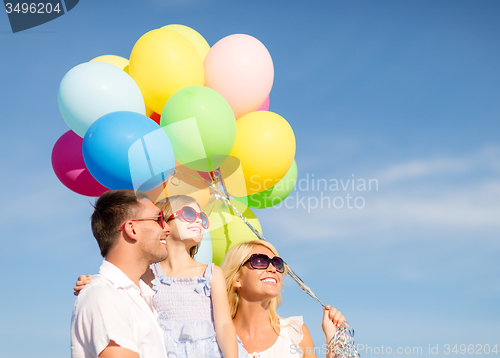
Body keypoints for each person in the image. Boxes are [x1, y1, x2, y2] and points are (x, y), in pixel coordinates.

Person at [75, 195, 245, 358]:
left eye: (202, 217)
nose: (199, 220)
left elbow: (224, 325)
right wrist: (92, 282)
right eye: (189, 214)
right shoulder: (146, 276)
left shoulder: (211, 272)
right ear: (165, 223)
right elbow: (120, 283)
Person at [71, 190, 169, 358]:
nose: (167, 228)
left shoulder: (144, 297)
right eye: (158, 219)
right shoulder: (103, 296)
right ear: (132, 229)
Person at [221, 240, 346, 358]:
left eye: (277, 263)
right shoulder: (213, 337)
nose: (272, 269)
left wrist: (333, 343)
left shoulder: (296, 334)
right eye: (260, 261)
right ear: (236, 279)